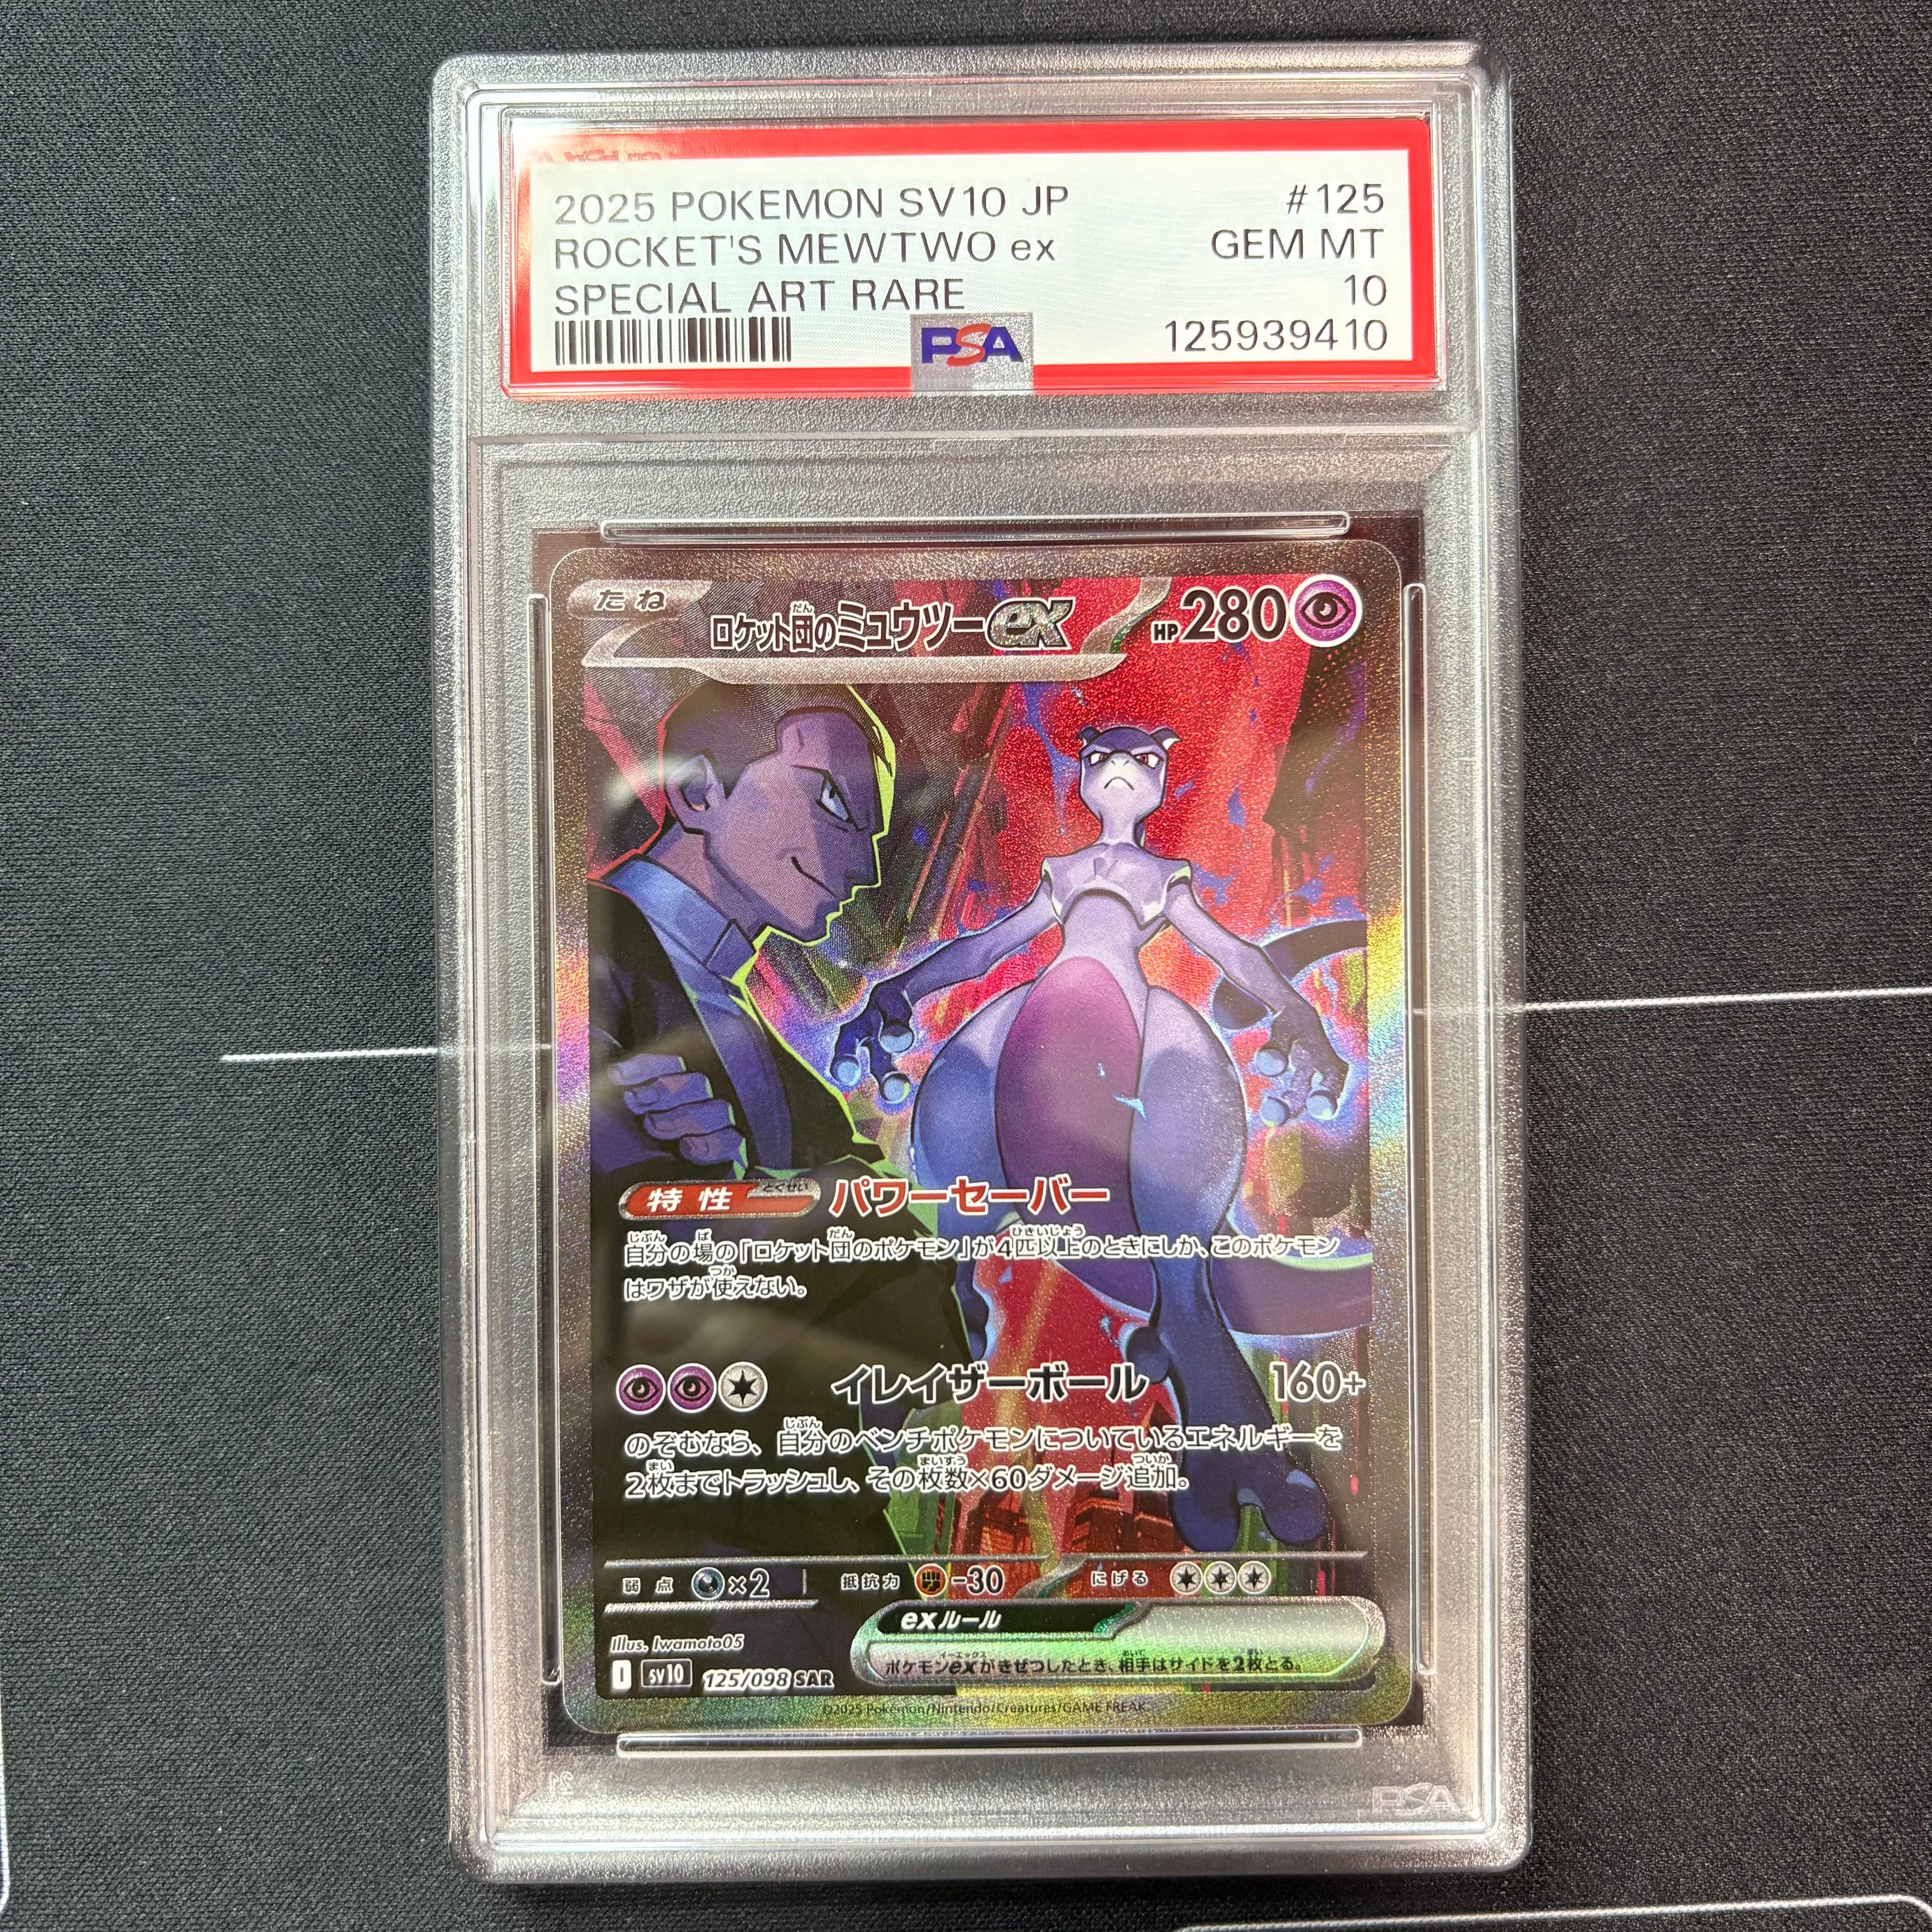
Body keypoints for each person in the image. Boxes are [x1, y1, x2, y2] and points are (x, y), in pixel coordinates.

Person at [833, 722, 1348, 1550]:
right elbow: (983, 951)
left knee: (1183, 1279)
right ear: (1081, 774)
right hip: (1032, 1041)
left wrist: (1296, 1011)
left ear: (1161, 778)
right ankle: (913, 1363)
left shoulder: (1162, 878)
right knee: (954, 1215)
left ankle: (1237, 1452)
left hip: (1132, 1035)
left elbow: (1233, 953)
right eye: (1102, 759)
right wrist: (899, 990)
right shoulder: (1064, 873)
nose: (1119, 772)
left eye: (1141, 760)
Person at [587, 680, 969, 1563]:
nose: (859, 869)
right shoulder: (577, 950)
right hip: (649, 1506)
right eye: (832, 802)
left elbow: (910, 1298)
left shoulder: (789, 1079)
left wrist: (760, 1201)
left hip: (805, 1510)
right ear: (698, 789)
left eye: (872, 835)